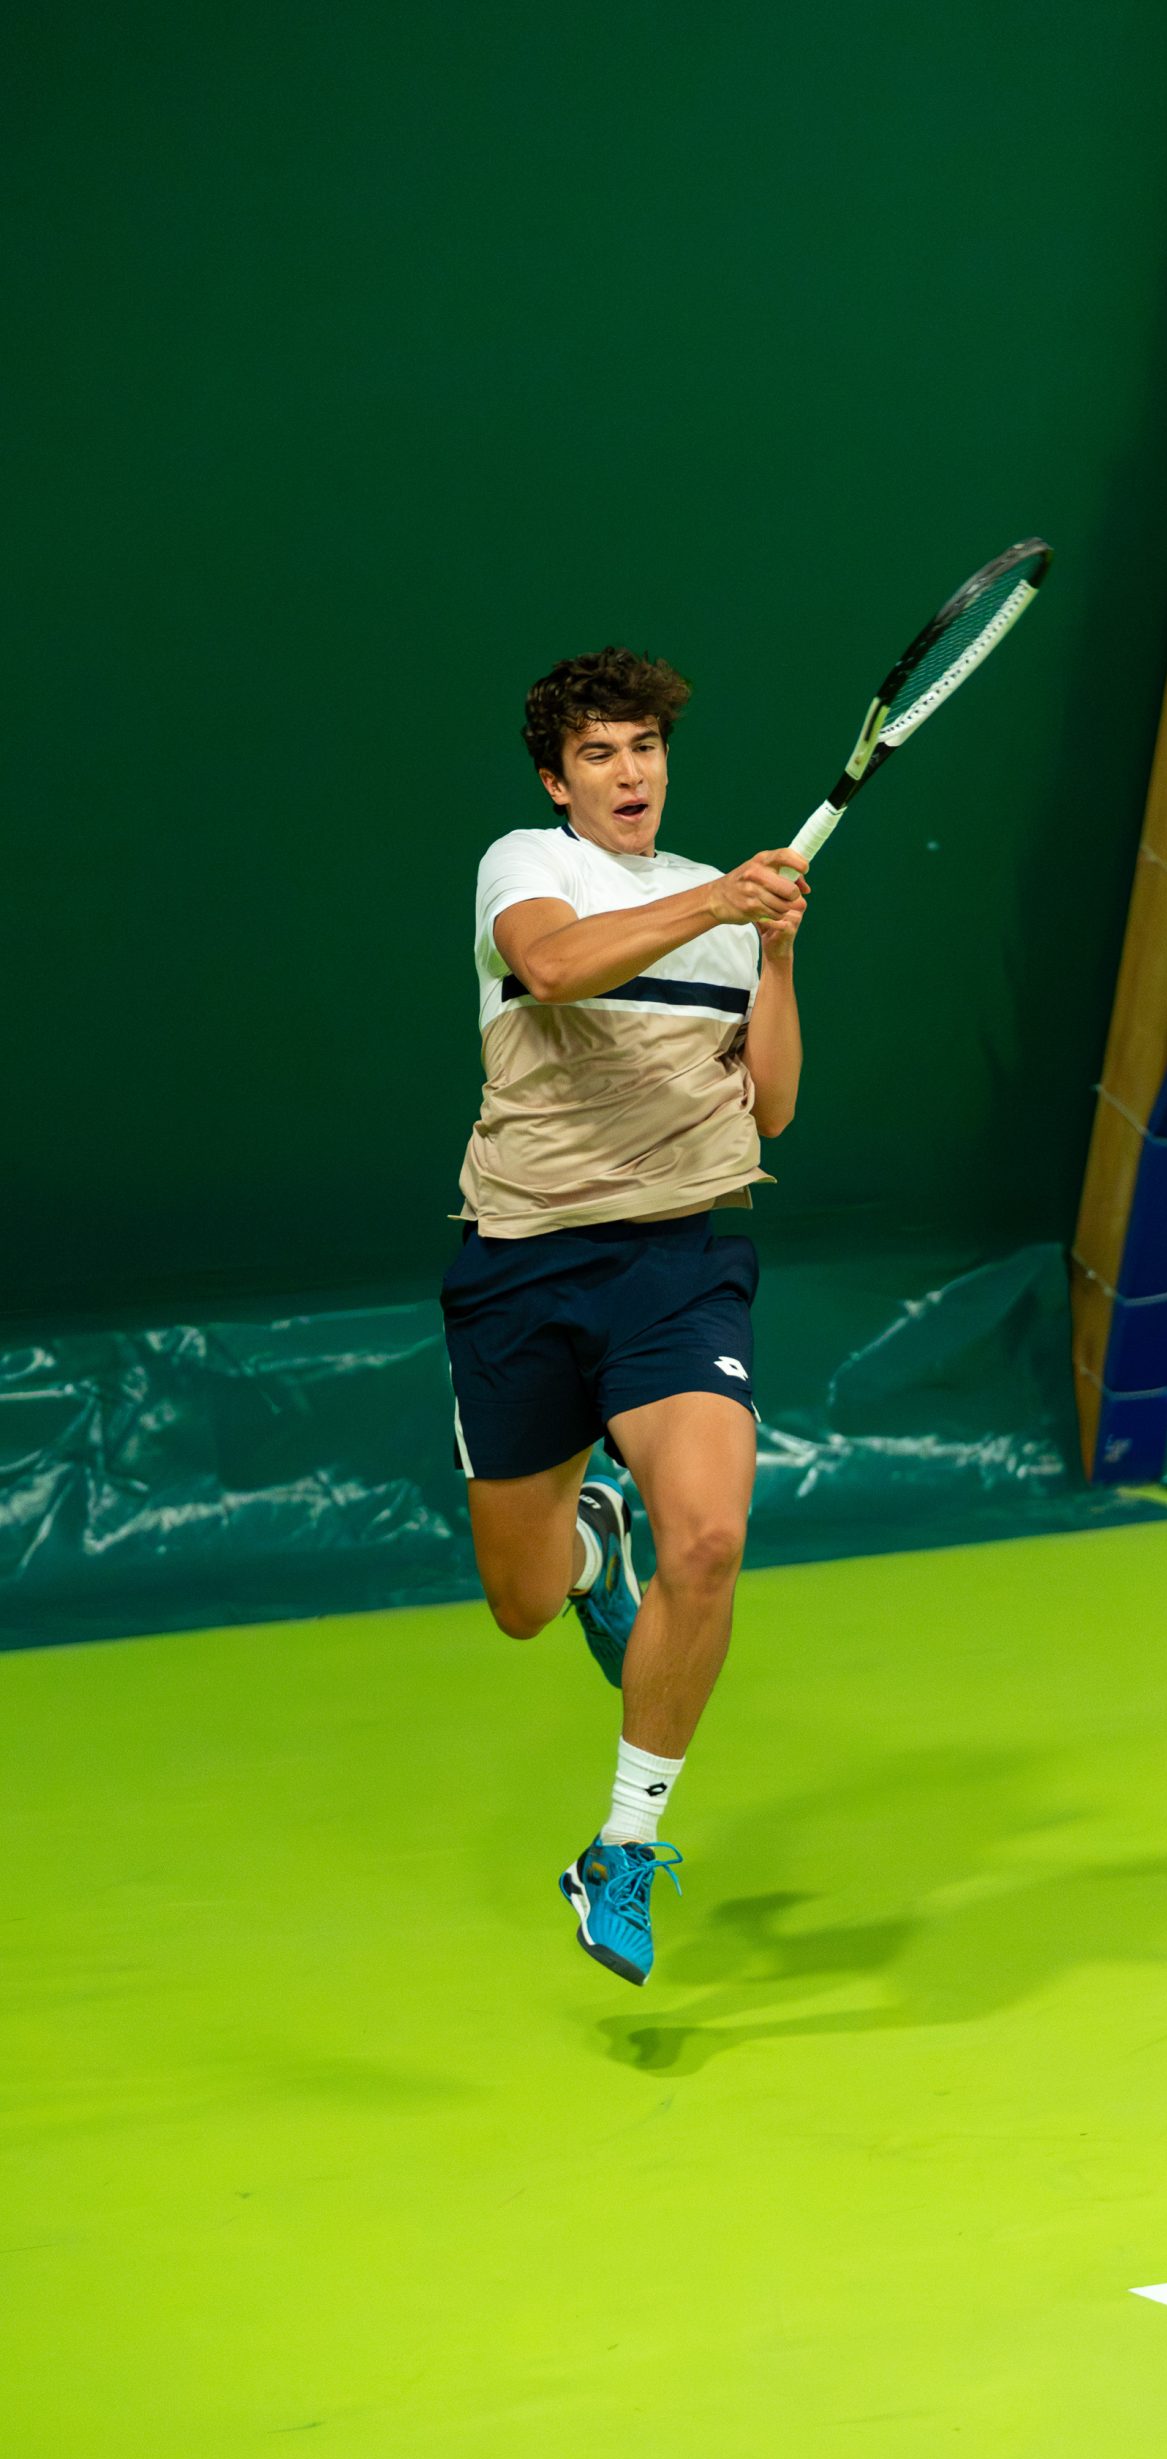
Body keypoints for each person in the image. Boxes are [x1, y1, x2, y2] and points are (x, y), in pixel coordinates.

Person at [441, 646, 806, 1985]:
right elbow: (549, 971)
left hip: (677, 1265)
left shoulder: (723, 905)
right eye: (598, 752)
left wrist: (772, 956)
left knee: (708, 1537)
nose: (629, 771)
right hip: (523, 1267)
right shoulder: (529, 868)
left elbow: (773, 1107)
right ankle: (590, 1549)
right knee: (522, 1605)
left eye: (644, 746)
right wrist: (717, 897)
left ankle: (624, 1846)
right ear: (558, 780)